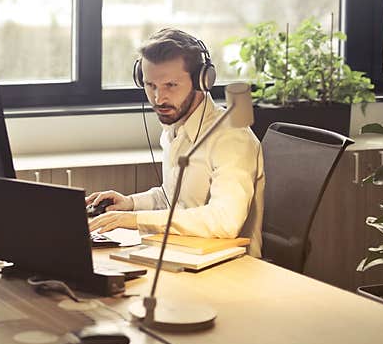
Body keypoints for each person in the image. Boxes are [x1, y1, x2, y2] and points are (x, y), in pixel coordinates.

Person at [88, 28, 264, 257]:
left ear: (202, 81)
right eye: (151, 86)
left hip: (231, 268)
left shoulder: (232, 137)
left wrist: (135, 220)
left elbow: (225, 221)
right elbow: (173, 199)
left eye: (171, 85)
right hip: (182, 254)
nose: (159, 99)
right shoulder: (175, 128)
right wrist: (130, 204)